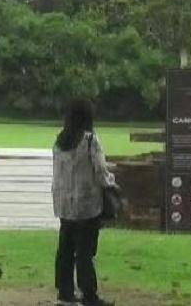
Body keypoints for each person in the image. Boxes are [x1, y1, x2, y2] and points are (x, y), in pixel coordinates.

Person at [52, 99, 115, 306]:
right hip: (87, 205)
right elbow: (100, 171)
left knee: (65, 250)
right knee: (86, 252)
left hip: (64, 205)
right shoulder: (90, 140)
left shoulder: (59, 141)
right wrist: (113, 186)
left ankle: (65, 292)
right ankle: (89, 295)